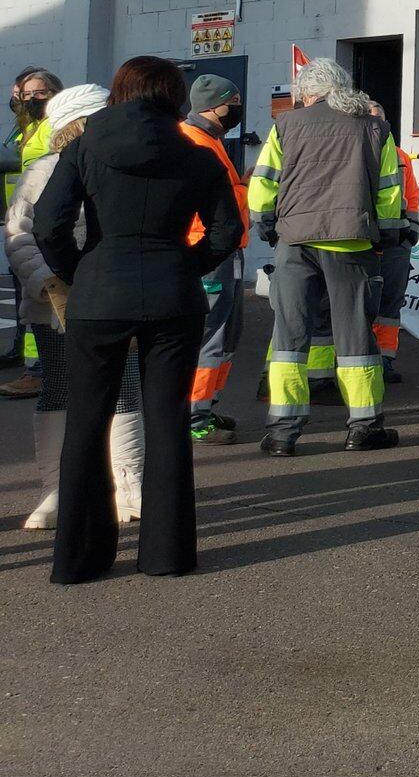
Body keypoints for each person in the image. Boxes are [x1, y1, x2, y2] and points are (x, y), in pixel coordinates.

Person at [35, 56, 241, 582]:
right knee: (167, 420)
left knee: (86, 420)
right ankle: (166, 554)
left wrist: (80, 271)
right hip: (173, 292)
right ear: (174, 95)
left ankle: (78, 560)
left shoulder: (85, 146)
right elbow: (226, 230)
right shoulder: (196, 152)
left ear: (120, 92)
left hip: (100, 291)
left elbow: (49, 223)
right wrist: (184, 265)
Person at [7, 85, 147, 530]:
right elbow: (19, 234)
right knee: (60, 386)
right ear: (80, 122)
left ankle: (129, 484)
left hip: (113, 295)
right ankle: (56, 489)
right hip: (56, 299)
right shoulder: (43, 171)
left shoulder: (125, 167)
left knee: (123, 387)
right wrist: (49, 282)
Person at [248, 58, 404, 455]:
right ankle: (363, 426)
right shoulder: (374, 127)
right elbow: (389, 192)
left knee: (289, 338)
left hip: (295, 243)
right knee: (355, 338)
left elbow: (263, 183)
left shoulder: (285, 125)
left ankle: (283, 432)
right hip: (352, 244)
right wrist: (385, 235)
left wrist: (269, 227)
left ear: (306, 93)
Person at [180, 75, 248, 443]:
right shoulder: (194, 140)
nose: (237, 107)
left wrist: (243, 185)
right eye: (233, 101)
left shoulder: (209, 139)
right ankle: (194, 416)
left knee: (227, 332)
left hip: (226, 248)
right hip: (206, 248)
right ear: (215, 104)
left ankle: (207, 405)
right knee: (211, 335)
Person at [2, 66, 62, 395]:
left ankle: (40, 370)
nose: (31, 99)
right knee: (29, 297)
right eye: (25, 94)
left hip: (39, 221)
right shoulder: (26, 127)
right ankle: (34, 365)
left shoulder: (53, 124)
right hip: (20, 222)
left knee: (40, 296)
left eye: (40, 92)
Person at [365, 104, 419, 387]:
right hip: (363, 240)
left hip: (395, 241)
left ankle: (385, 359)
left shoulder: (400, 157)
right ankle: (361, 358)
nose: (376, 123)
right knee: (362, 302)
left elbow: (412, 194)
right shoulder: (355, 151)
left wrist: (412, 229)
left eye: (379, 118)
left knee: (390, 302)